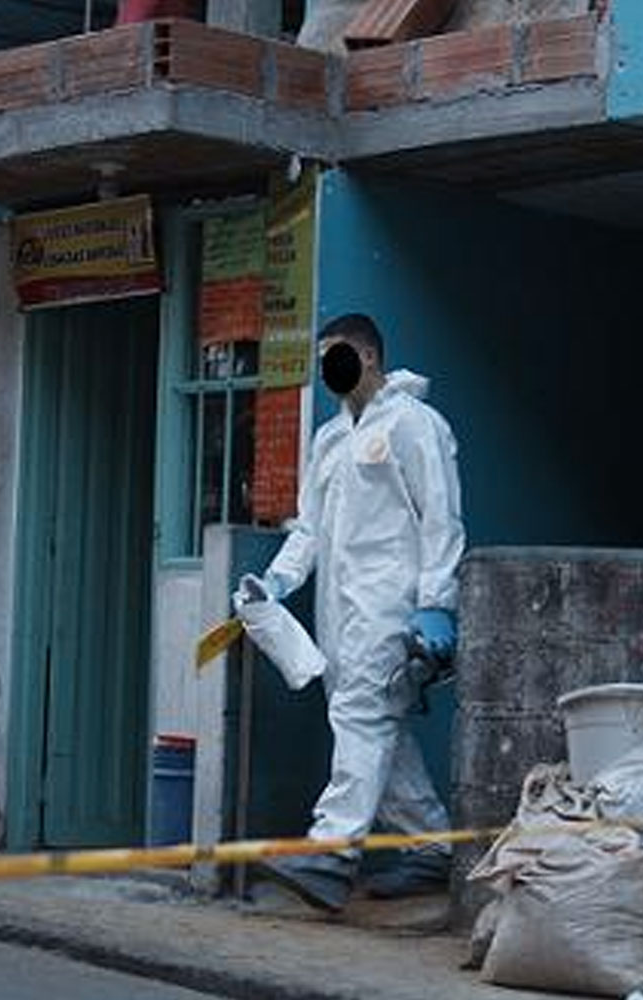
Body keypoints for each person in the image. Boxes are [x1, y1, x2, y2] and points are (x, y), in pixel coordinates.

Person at [241, 312, 465, 911]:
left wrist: (436, 605)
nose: (327, 370)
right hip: (338, 612)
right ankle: (433, 846)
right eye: (322, 362)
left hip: (391, 607)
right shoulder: (329, 440)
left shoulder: (416, 426)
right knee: (374, 725)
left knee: (362, 718)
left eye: (335, 357)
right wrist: (277, 581)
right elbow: (309, 528)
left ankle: (333, 850)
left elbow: (441, 520)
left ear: (367, 357)